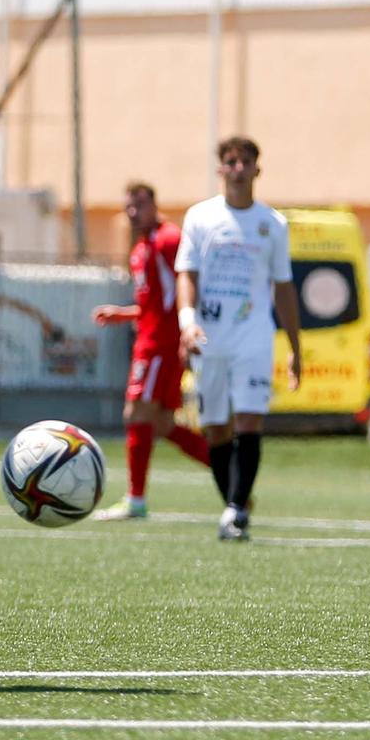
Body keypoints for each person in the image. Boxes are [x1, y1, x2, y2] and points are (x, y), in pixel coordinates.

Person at [176, 136, 301, 542]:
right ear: (220, 170)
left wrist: (295, 348)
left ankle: (233, 512)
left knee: (249, 419)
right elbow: (187, 274)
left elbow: (283, 288)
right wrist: (187, 322)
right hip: (209, 338)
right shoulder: (199, 217)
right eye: (230, 161)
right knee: (215, 428)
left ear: (256, 170)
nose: (238, 168)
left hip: (254, 338)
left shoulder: (272, 224)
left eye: (245, 162)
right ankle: (236, 501)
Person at [90, 181, 213, 520]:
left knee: (136, 415)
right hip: (151, 341)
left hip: (160, 345)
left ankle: (136, 499)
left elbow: (190, 287)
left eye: (139, 205)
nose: (133, 212)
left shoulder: (169, 240)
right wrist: (125, 313)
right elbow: (158, 303)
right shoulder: (141, 248)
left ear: (153, 204)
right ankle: (231, 476)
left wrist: (188, 334)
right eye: (128, 206)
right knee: (158, 422)